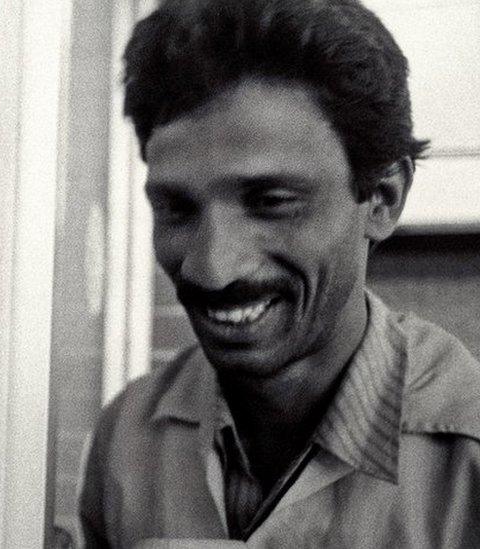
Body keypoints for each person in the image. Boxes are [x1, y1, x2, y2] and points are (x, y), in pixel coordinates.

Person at [79, 0, 480, 546]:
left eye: (269, 201)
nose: (211, 269)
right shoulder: (128, 439)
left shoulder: (467, 459)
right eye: (177, 208)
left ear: (383, 198)